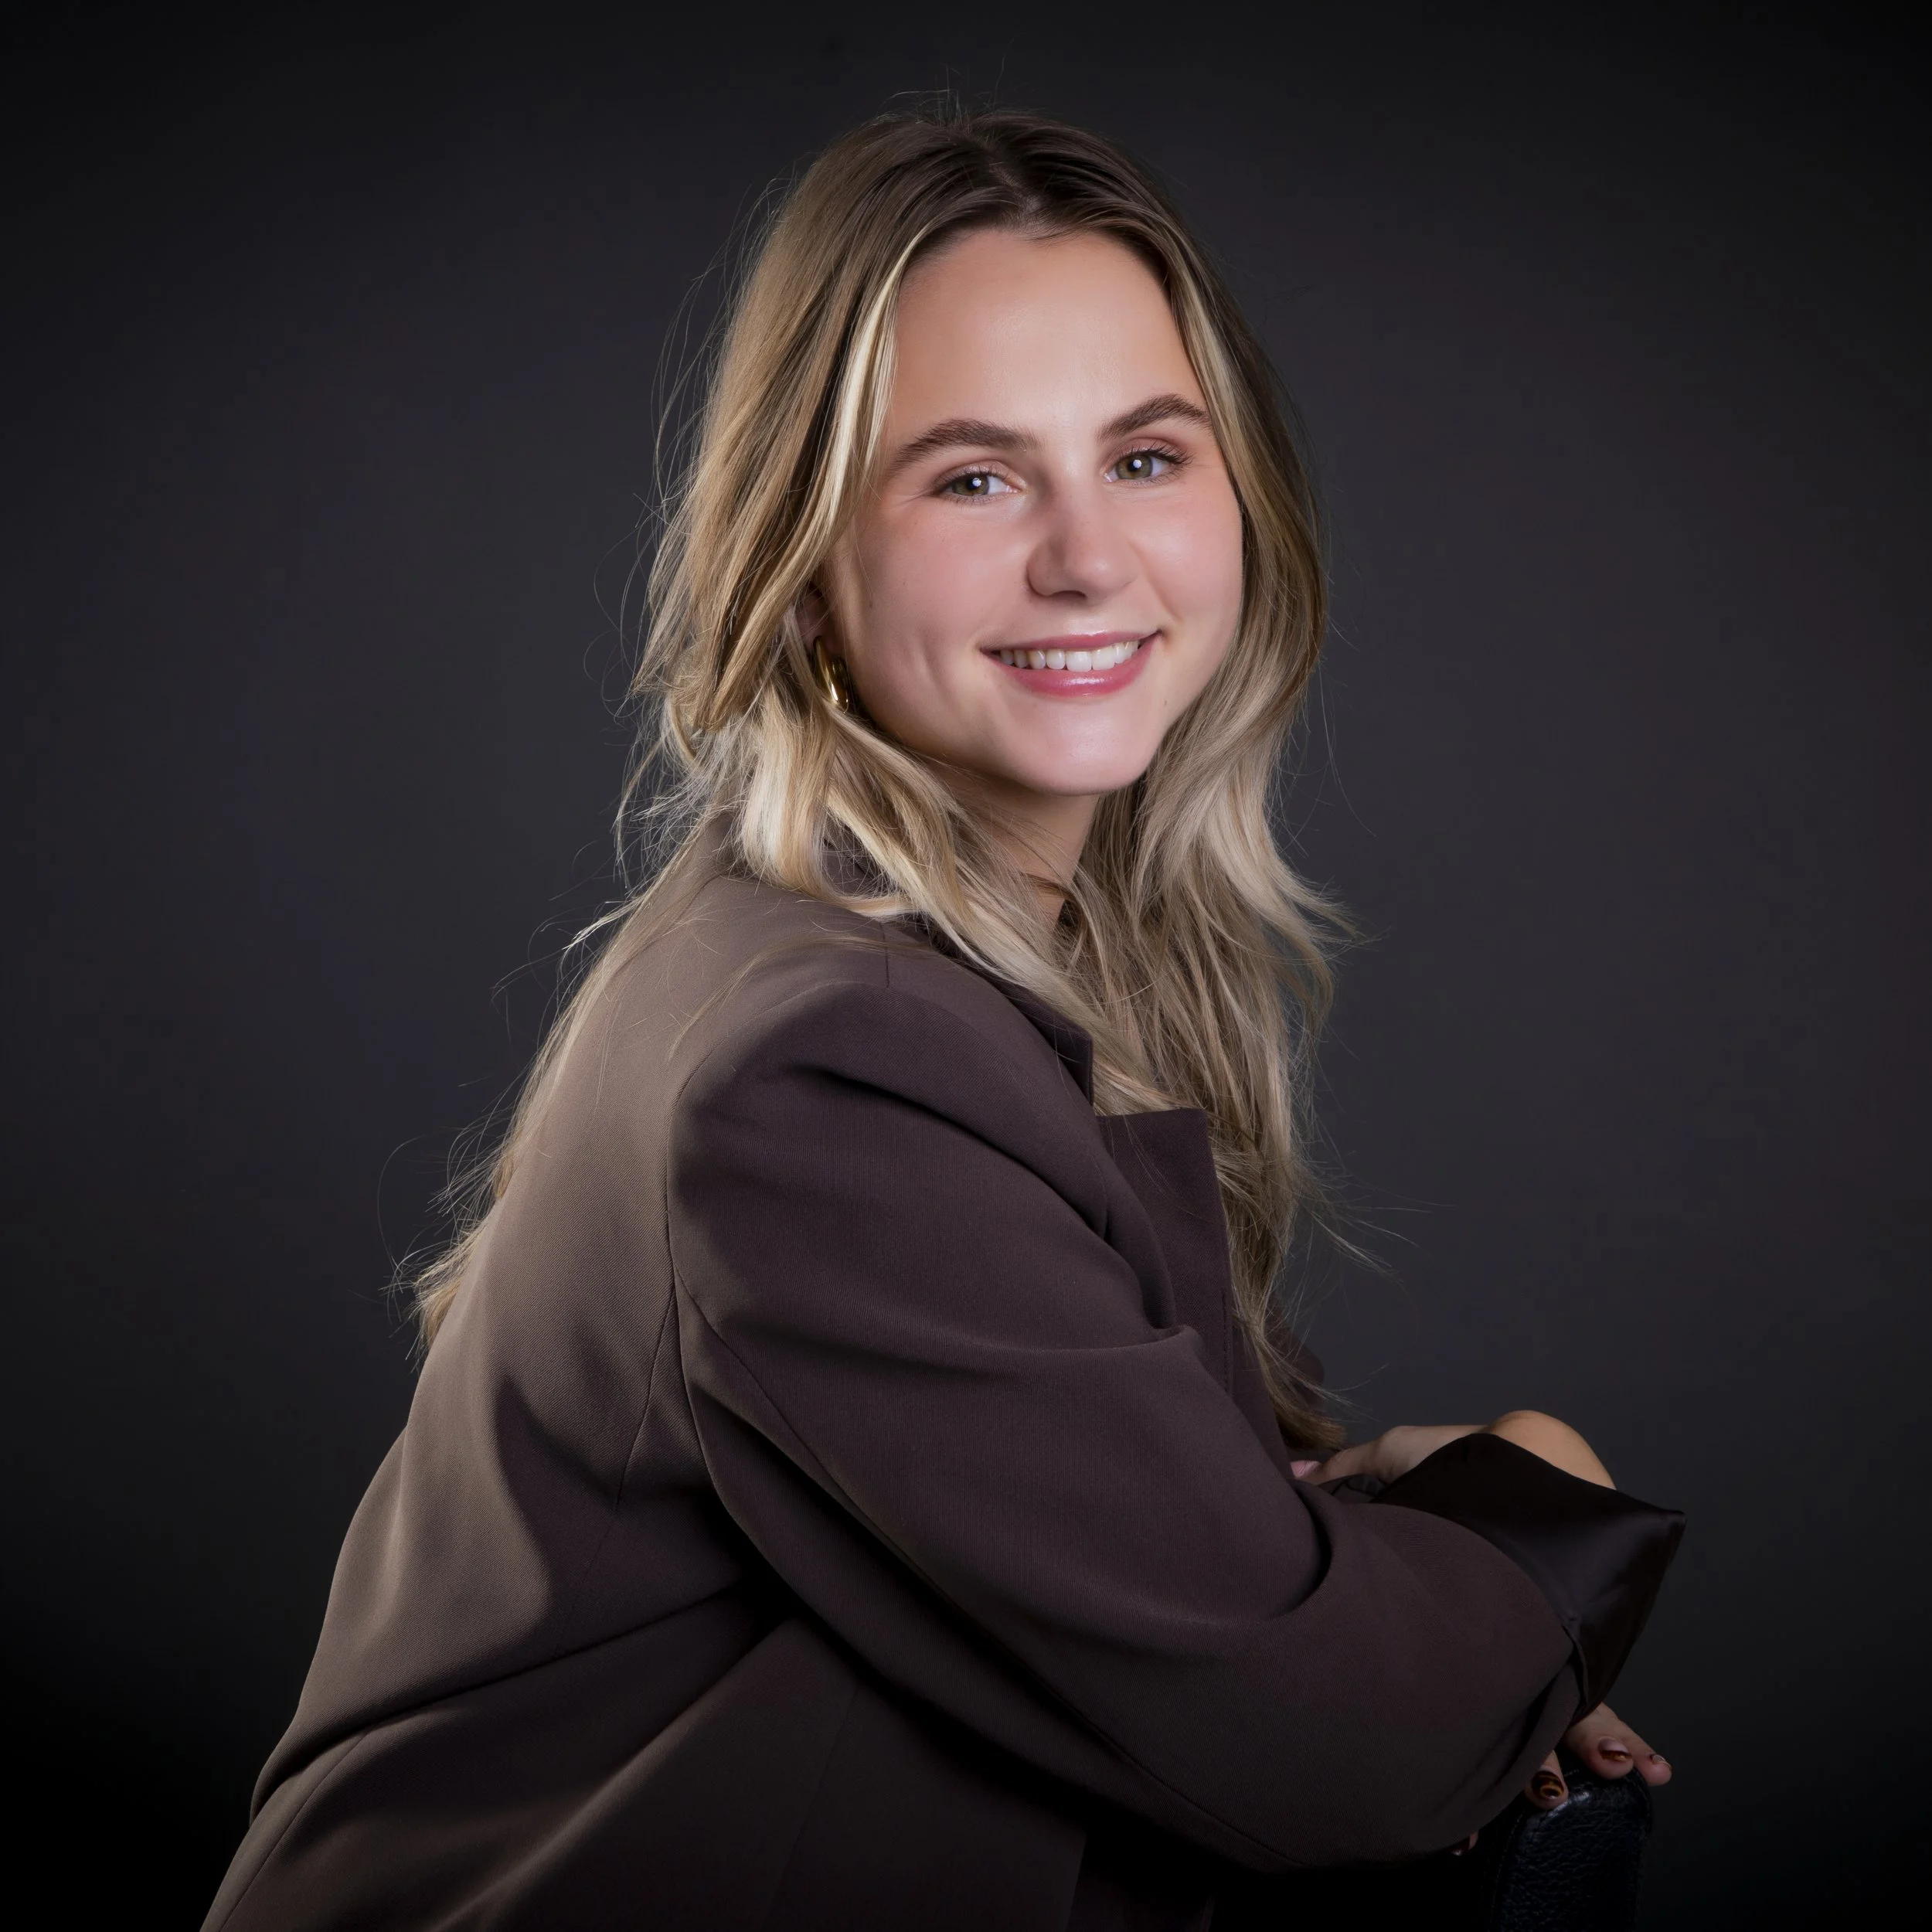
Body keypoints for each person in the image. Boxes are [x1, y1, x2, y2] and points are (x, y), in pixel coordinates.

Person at [204, 109, 1682, 1931]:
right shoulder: (822, 1063)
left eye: (1145, 454)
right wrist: (1527, 1509)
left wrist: (1374, 1559)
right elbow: (1331, 1743)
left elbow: (1094, 1575)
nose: (1083, 557)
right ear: (808, 561)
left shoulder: (943, 972)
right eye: (973, 479)